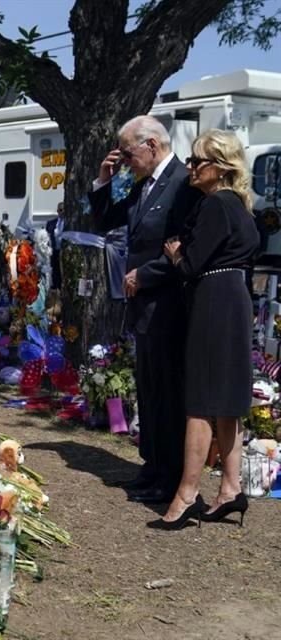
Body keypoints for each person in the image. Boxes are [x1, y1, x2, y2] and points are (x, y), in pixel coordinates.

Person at [89, 114, 203, 505]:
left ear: (151, 145)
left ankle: (170, 475)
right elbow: (106, 220)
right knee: (150, 390)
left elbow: (185, 243)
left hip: (168, 303)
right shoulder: (144, 185)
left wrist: (145, 274)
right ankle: (152, 465)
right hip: (144, 308)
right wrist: (104, 180)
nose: (123, 159)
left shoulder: (182, 184)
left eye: (127, 151)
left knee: (168, 392)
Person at [152, 130, 260, 529]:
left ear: (220, 168)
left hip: (213, 297)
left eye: (198, 162)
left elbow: (193, 264)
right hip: (235, 295)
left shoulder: (215, 205)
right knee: (227, 400)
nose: (191, 168)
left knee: (199, 401)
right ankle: (230, 488)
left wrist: (177, 253)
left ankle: (186, 494)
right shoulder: (241, 207)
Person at [45, 202, 65, 290]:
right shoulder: (51, 223)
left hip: (64, 252)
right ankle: (56, 289)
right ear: (57, 211)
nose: (63, 212)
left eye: (64, 210)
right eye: (60, 210)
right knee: (55, 272)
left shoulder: (69, 223)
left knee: (64, 272)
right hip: (54, 251)